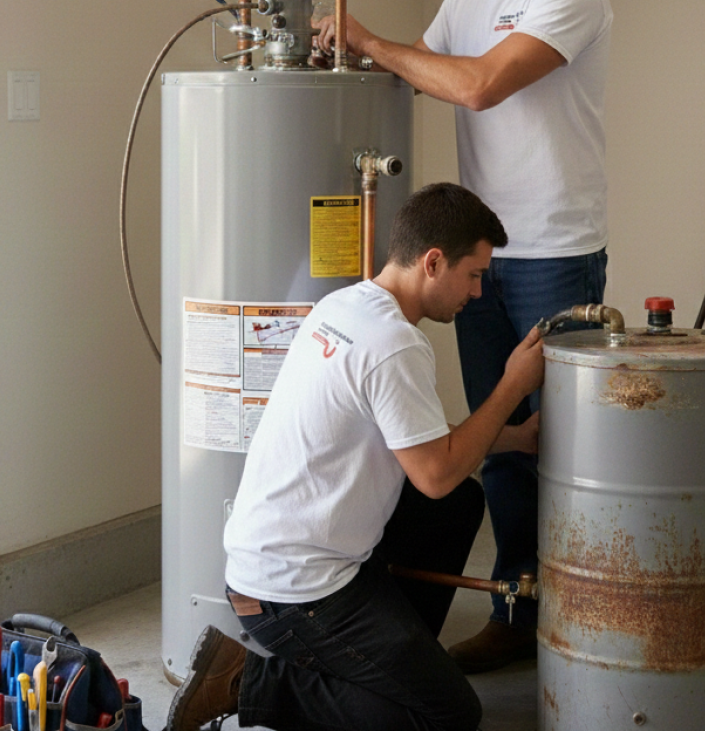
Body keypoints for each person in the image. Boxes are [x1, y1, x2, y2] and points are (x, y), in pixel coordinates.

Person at [315, 0, 611, 671]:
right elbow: (427, 72)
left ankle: (583, 623)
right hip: (483, 254)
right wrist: (346, 57)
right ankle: (518, 613)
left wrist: (372, 38)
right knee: (501, 437)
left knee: (567, 444)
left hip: (556, 250)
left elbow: (478, 84)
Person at [165, 183, 547, 731]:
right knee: (449, 715)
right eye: (473, 274)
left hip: (267, 561)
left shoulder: (344, 306)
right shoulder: (395, 344)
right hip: (294, 593)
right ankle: (246, 680)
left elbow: (417, 436)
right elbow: (435, 474)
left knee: (457, 505)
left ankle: (387, 663)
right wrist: (512, 385)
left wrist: (516, 438)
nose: (477, 291)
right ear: (433, 262)